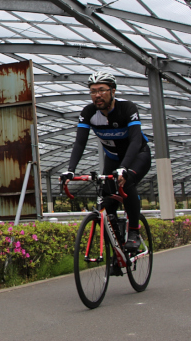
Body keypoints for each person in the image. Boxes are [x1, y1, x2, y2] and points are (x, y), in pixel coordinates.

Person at [60, 71, 152, 251]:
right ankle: (117, 244)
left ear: (113, 91)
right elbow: (80, 142)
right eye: (93, 91)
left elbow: (134, 140)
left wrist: (125, 167)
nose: (97, 95)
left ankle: (134, 231)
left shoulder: (127, 109)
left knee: (126, 183)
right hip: (112, 158)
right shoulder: (88, 112)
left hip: (137, 156)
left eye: (102, 90)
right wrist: (70, 169)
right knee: (107, 201)